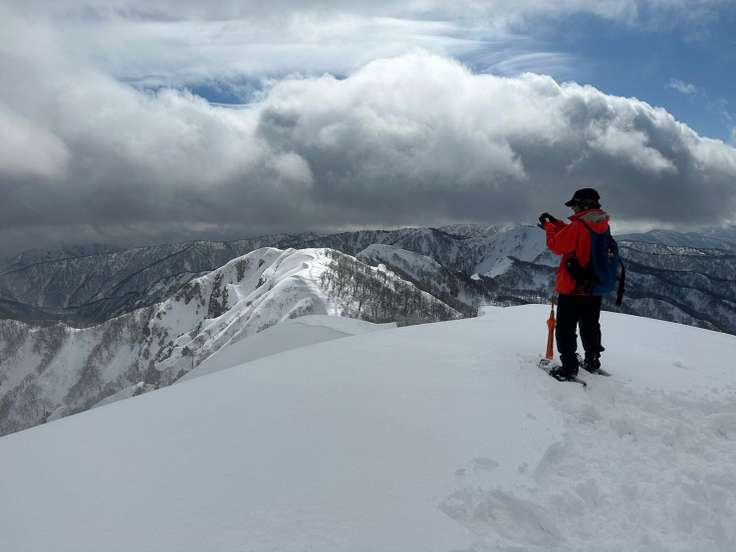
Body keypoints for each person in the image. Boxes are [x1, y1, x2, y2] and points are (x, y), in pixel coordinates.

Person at [538, 188, 610, 381]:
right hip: (594, 286)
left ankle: (569, 368)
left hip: (573, 286)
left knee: (565, 328)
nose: (573, 209)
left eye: (575, 205)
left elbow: (556, 245)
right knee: (590, 324)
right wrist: (558, 223)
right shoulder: (602, 223)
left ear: (584, 205)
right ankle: (592, 360)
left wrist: (549, 228)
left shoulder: (579, 225)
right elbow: (577, 235)